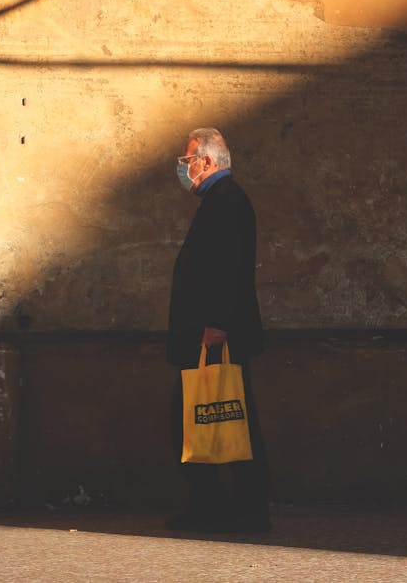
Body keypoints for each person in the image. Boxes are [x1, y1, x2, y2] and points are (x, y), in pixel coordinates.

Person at [166, 126, 270, 533]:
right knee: (215, 418)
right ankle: (220, 505)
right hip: (211, 334)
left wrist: (218, 325)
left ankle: (235, 508)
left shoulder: (225, 200)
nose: (184, 167)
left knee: (219, 418)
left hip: (213, 338)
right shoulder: (222, 200)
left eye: (187, 159)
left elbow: (230, 266)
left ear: (206, 162)